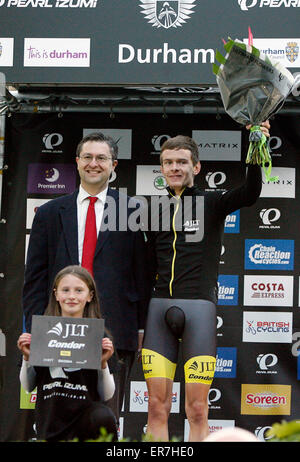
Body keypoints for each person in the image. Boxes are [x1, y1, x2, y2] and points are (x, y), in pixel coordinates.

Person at [141, 122, 270, 442]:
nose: (175, 168)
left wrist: (256, 146)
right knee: (157, 408)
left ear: (196, 167)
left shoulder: (213, 202)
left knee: (197, 409)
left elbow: (250, 193)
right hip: (158, 311)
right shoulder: (152, 208)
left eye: (182, 162)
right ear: (161, 168)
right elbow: (144, 265)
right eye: (168, 162)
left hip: (198, 310)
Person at [22, 132, 150, 422]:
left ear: (113, 165)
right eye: (88, 157)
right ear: (77, 162)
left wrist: (141, 327)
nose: (94, 163)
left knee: (106, 417)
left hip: (115, 329)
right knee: (57, 416)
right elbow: (35, 277)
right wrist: (34, 327)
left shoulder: (132, 210)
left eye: (102, 158)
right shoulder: (49, 213)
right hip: (56, 329)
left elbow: (141, 274)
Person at [18, 265, 118, 442]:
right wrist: (27, 358)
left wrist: (102, 363)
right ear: (56, 295)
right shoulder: (41, 332)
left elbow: (107, 394)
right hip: (50, 422)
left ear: (90, 296)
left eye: (79, 290)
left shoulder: (98, 336)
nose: (72, 296)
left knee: (104, 416)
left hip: (86, 421)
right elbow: (28, 386)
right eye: (65, 290)